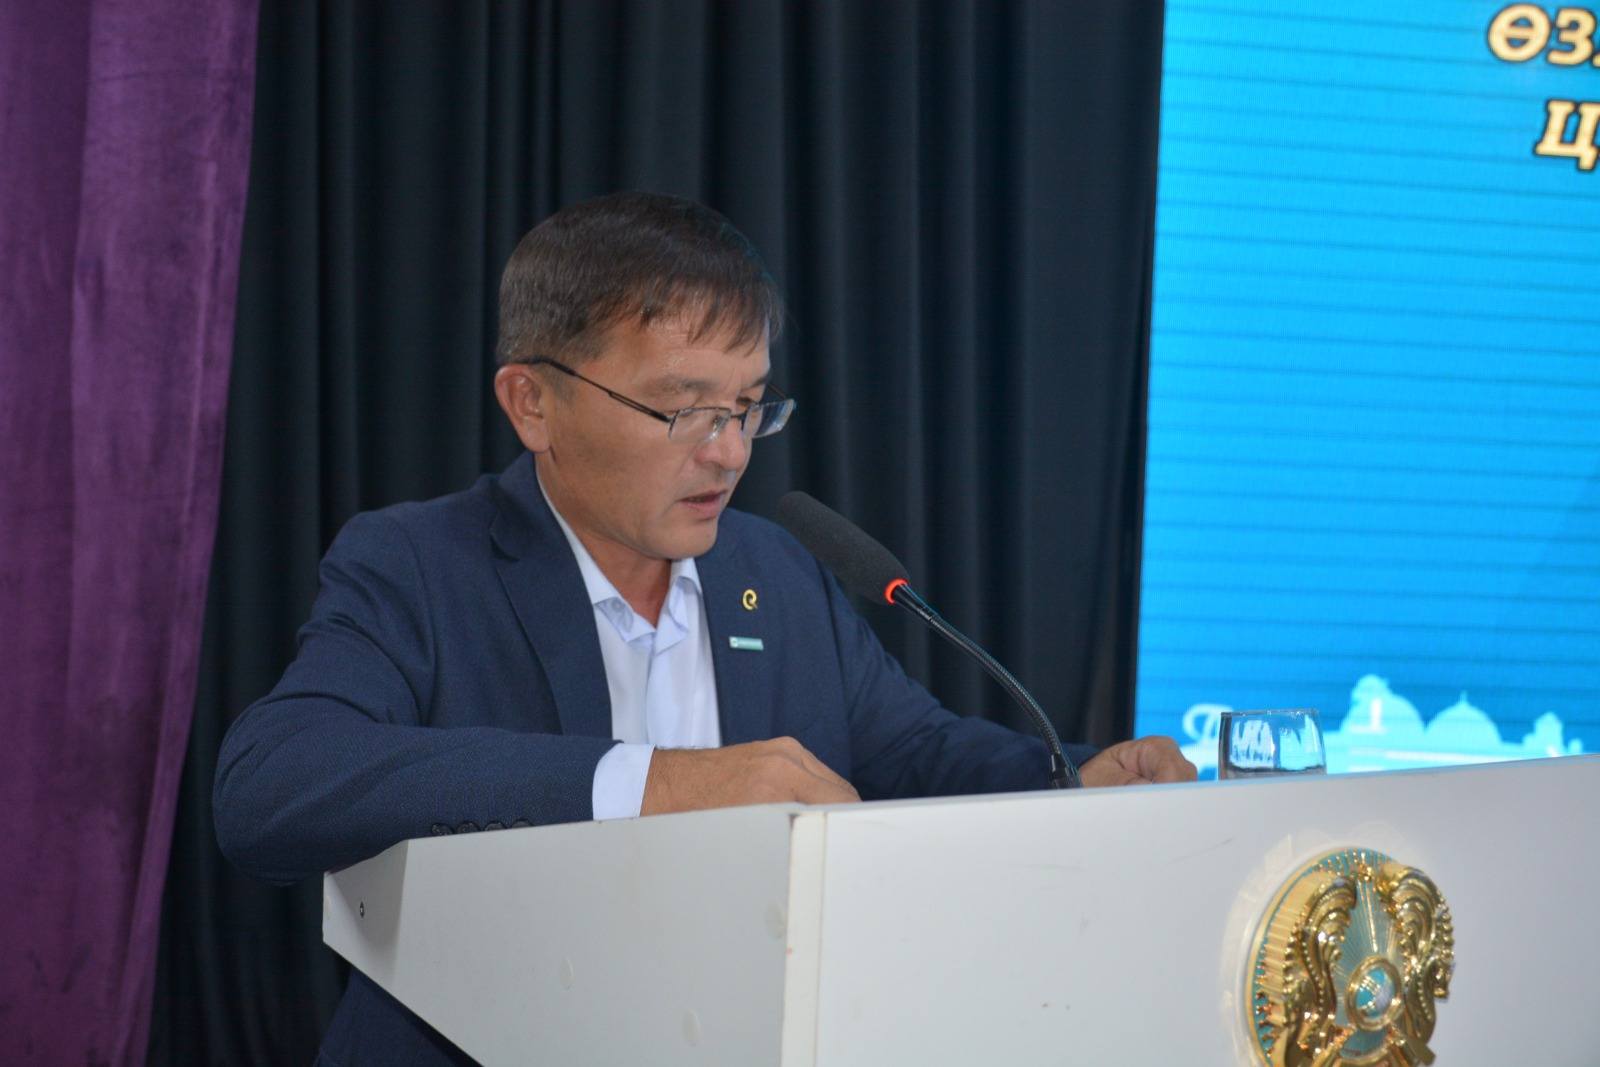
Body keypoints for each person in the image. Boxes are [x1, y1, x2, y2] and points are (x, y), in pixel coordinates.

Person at [214, 190, 1195, 1065]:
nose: (727, 452)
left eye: (749, 406)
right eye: (682, 409)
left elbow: (918, 753)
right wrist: (655, 782)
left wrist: (1071, 780)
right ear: (533, 403)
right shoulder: (420, 564)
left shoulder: (774, 572)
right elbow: (271, 782)